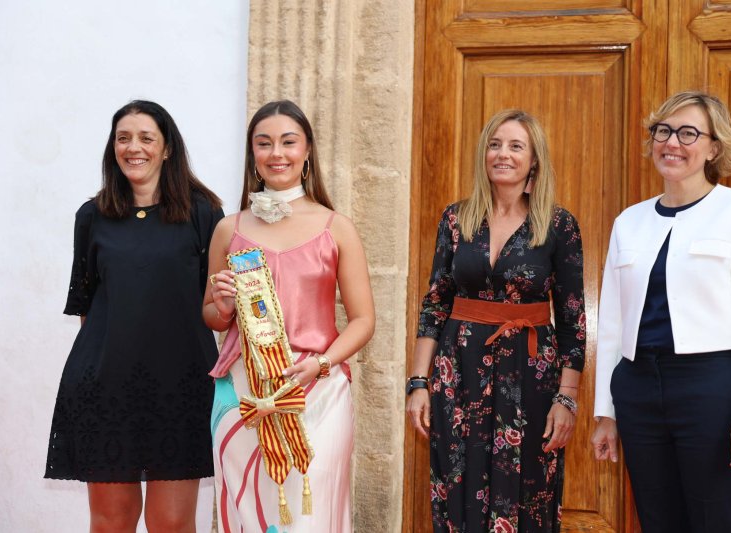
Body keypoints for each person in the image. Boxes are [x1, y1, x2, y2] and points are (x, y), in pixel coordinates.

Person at [591, 90, 731, 533]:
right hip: (637, 390)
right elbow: (613, 325)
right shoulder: (629, 221)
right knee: (657, 520)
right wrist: (606, 413)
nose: (672, 142)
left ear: (714, 147)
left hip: (709, 389)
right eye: (663, 131)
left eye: (689, 133)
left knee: (715, 518)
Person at [45, 100, 224, 532]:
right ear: (112, 148)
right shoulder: (92, 217)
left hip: (180, 388)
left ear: (167, 149)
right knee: (111, 521)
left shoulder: (204, 214)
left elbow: (217, 306)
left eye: (146, 138)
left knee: (171, 523)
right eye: (123, 138)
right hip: (105, 388)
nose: (133, 147)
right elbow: (89, 309)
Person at [406, 109, 586, 532]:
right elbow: (435, 304)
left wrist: (567, 398)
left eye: (515, 146)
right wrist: (418, 382)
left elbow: (574, 320)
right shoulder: (456, 218)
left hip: (531, 375)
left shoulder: (559, 225)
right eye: (494, 144)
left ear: (534, 159)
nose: (502, 154)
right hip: (458, 371)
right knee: (457, 479)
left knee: (528, 486)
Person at [205, 99, 375, 532]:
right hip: (244, 391)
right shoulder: (229, 228)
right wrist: (222, 303)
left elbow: (362, 320)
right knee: (248, 510)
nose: (276, 153)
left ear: (307, 151)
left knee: (310, 511)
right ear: (253, 156)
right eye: (264, 144)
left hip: (318, 387)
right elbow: (212, 315)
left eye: (288, 142)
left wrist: (321, 364)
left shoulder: (336, 227)